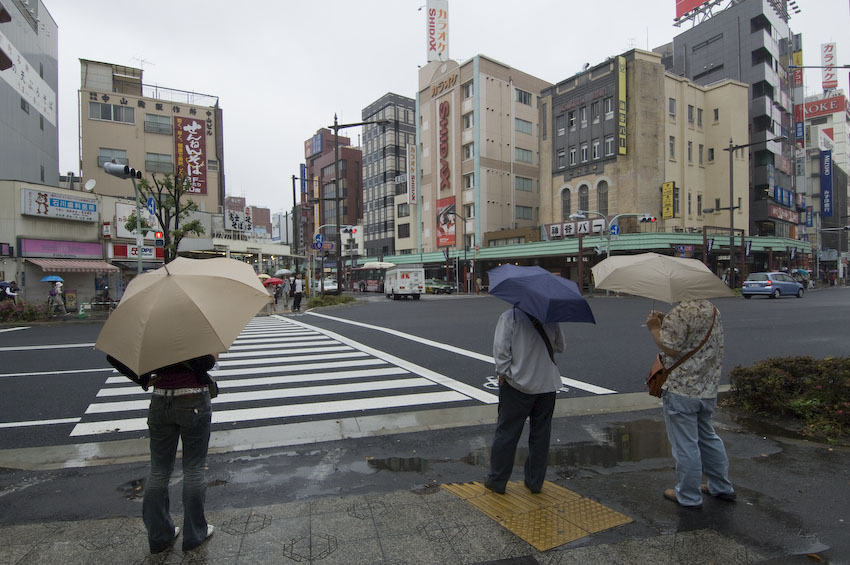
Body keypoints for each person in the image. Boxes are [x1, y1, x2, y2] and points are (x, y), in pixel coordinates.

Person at [107, 354, 218, 553]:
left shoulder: (152, 329)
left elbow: (114, 357)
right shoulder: (192, 327)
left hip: (160, 399)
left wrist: (142, 379)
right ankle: (194, 534)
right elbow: (207, 362)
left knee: (158, 470)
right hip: (192, 399)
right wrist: (213, 354)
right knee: (194, 469)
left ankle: (160, 536)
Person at [646, 299, 735, 509]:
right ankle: (721, 486)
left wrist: (654, 328)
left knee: (685, 445)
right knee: (708, 437)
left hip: (682, 390)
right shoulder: (712, 309)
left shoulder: (682, 310)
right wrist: (666, 320)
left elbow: (671, 347)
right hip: (707, 387)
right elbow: (692, 336)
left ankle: (688, 495)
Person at [485, 307, 565, 495]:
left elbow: (501, 352)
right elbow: (560, 346)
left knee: (507, 433)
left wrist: (503, 374)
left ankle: (498, 480)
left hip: (518, 385)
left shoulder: (509, 317)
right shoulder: (550, 317)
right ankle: (535, 482)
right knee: (541, 435)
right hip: (547, 385)